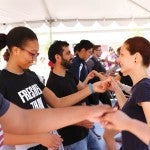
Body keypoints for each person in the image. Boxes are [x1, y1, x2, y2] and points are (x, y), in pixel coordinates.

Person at [0, 26, 114, 149]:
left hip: (49, 141)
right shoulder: (3, 81)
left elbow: (57, 103)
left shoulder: (31, 75)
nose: (34, 60)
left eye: (36, 54)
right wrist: (38, 137)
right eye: (32, 54)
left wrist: (92, 91)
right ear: (16, 50)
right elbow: (6, 132)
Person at [46, 40, 102, 150]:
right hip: (71, 138)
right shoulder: (52, 84)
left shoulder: (68, 74)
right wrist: (80, 122)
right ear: (57, 57)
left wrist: (94, 81)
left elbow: (81, 88)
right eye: (68, 53)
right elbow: (56, 115)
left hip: (85, 131)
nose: (72, 55)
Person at [104, 36, 150, 150]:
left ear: (136, 57)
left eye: (122, 55)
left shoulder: (143, 88)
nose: (118, 60)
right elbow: (130, 112)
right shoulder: (139, 86)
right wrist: (116, 88)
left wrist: (126, 123)